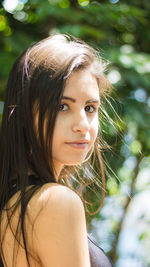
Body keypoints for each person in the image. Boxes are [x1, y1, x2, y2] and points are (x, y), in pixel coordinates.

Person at [0, 33, 113, 267]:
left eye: (90, 108)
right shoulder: (55, 202)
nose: (83, 125)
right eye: (62, 106)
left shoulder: (12, 201)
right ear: (23, 115)